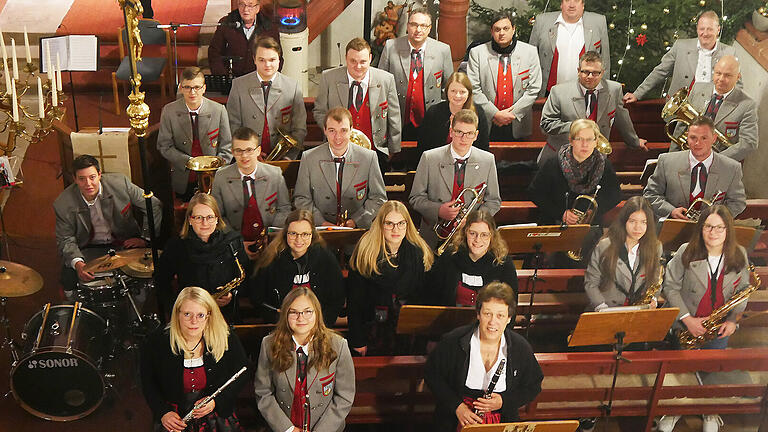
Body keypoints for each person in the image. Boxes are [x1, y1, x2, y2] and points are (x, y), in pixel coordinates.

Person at [657, 205, 751, 432]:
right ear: (701, 228)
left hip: (718, 326)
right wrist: (687, 319)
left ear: (728, 230)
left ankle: (710, 410)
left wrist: (732, 320)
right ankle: (674, 410)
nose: (713, 232)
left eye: (720, 227)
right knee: (683, 371)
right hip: (686, 324)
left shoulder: (739, 254)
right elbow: (670, 286)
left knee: (711, 369)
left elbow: (744, 290)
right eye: (708, 226)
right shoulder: (685, 251)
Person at [424, 282, 543, 430]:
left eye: (500, 315)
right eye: (488, 314)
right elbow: (432, 375)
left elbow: (533, 386)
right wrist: (457, 406)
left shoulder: (520, 347)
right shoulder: (453, 341)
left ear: (508, 318)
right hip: (456, 419)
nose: (493, 322)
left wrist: (504, 402)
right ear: (478, 314)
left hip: (502, 420)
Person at [140, 287, 248, 432]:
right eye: (187, 314)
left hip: (215, 415)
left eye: (200, 315)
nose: (193, 321)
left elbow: (244, 373)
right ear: (177, 314)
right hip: (174, 419)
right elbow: (147, 381)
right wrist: (163, 412)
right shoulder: (157, 341)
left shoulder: (226, 337)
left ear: (209, 315)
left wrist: (216, 402)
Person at [54, 154, 162, 292]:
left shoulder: (120, 184)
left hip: (124, 243)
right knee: (67, 278)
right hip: (87, 248)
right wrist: (78, 263)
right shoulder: (62, 203)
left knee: (144, 276)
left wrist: (145, 238)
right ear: (74, 179)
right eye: (81, 179)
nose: (88, 184)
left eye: (92, 177)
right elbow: (65, 239)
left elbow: (154, 205)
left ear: (99, 175)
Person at [254, 288, 355, 432]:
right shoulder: (269, 345)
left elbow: (344, 397)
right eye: (294, 312)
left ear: (317, 313)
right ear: (285, 315)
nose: (301, 318)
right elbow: (263, 393)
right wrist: (288, 429)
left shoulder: (338, 345)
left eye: (308, 311)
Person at [347, 201, 434, 356]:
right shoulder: (365, 252)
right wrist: (357, 340)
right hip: (372, 329)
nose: (396, 229)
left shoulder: (418, 252)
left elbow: (423, 299)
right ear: (380, 225)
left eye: (401, 223)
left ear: (407, 225)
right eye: (389, 224)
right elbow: (355, 303)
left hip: (407, 330)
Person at [410, 109, 501, 248]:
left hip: (470, 238)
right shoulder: (430, 158)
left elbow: (493, 201)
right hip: (434, 235)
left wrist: (473, 220)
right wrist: (438, 210)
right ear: (451, 131)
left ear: (476, 135)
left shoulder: (487, 160)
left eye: (469, 133)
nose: (464, 138)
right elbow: (415, 198)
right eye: (459, 132)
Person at [154, 194, 250, 323]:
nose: (205, 223)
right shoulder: (176, 247)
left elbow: (246, 278)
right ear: (190, 219)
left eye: (210, 217)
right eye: (199, 218)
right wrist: (179, 310)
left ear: (217, 219)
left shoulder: (232, 242)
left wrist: (232, 295)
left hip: (226, 316)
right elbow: (161, 283)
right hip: (191, 319)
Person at [540, 51, 647, 163]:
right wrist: (576, 127)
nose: (590, 77)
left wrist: (634, 142)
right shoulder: (558, 91)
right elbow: (545, 125)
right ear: (578, 71)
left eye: (595, 73)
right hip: (560, 158)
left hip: (596, 160)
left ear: (602, 73)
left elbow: (622, 120)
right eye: (585, 72)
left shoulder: (614, 89)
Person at [313, 37, 401, 170]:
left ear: (370, 58)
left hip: (376, 152)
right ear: (345, 58)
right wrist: (333, 132)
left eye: (363, 61)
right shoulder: (329, 77)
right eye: (353, 61)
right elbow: (319, 112)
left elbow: (394, 116)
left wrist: (392, 150)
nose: (358, 66)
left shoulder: (386, 79)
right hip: (337, 150)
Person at [294, 107, 387, 229]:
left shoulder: (369, 158)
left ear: (351, 130)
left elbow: (378, 198)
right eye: (332, 130)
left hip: (357, 231)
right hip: (319, 231)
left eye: (343, 130)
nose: (338, 137)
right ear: (325, 130)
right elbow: (301, 199)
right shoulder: (309, 158)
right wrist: (320, 223)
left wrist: (356, 221)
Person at [251, 209, 345, 326]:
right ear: (286, 233)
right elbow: (257, 298)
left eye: (305, 234)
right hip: (281, 326)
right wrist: (276, 319)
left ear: (312, 234)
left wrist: (321, 325)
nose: (299, 240)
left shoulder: (325, 258)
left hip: (320, 326)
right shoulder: (271, 259)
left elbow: (337, 298)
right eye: (293, 233)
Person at [643, 116, 746, 221]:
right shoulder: (666, 161)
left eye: (704, 138)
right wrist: (670, 211)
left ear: (714, 138)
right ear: (687, 137)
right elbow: (651, 194)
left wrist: (716, 218)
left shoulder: (732, 168)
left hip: (712, 231)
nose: (698, 143)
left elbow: (738, 202)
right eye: (693, 137)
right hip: (672, 228)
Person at [211, 127, 291, 260]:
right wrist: (237, 243)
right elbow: (218, 216)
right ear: (232, 152)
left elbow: (284, 209)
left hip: (270, 245)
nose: (244, 156)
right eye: (239, 151)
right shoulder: (221, 176)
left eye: (249, 150)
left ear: (258, 150)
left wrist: (271, 237)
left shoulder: (275, 174)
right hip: (234, 245)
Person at [624, 10, 735, 103]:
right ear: (697, 29)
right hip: (680, 109)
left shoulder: (729, 52)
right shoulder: (681, 46)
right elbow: (660, 71)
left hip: (712, 111)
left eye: (710, 29)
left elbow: (736, 85)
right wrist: (637, 94)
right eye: (702, 29)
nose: (705, 33)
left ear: (718, 29)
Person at [377, 7, 454, 141]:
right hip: (398, 119)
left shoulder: (442, 50)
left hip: (430, 120)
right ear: (407, 26)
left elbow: (448, 87)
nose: (418, 30)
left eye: (423, 26)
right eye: (414, 25)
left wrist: (441, 113)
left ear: (429, 28)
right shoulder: (391, 46)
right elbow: (381, 84)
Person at [157, 67, 232, 200]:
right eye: (187, 87)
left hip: (213, 177)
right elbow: (164, 146)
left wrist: (216, 170)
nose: (192, 92)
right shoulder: (169, 111)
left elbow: (227, 146)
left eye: (197, 87)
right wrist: (189, 162)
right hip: (184, 176)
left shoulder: (219, 110)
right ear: (180, 88)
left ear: (204, 88)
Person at [528, 119, 621, 226]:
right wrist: (560, 214)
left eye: (590, 139)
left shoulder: (604, 165)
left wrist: (593, 212)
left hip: (588, 226)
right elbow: (535, 192)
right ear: (571, 141)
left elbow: (615, 195)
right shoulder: (553, 163)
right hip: (554, 223)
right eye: (579, 139)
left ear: (596, 142)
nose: (585, 144)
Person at [227, 36, 307, 160]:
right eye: (262, 60)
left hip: (283, 158)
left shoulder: (293, 87)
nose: (267, 65)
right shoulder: (239, 86)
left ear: (279, 60)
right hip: (247, 158)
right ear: (254, 59)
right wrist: (249, 153)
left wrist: (287, 157)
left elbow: (299, 128)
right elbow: (233, 126)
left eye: (272, 59)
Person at [468, 11, 542, 141]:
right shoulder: (477, 53)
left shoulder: (529, 52)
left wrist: (512, 114)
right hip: (487, 119)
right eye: (497, 29)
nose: (501, 33)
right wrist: (495, 114)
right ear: (492, 31)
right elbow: (473, 88)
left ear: (513, 29)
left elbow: (534, 88)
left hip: (518, 120)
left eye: (506, 28)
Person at [670, 55, 758, 162]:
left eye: (727, 75)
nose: (721, 79)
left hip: (718, 164)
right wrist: (672, 157)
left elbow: (749, 142)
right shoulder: (697, 88)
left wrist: (714, 160)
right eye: (718, 73)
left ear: (737, 77)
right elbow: (681, 126)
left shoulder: (747, 104)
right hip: (686, 157)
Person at [584, 196, 663, 311]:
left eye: (643, 222)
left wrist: (653, 299)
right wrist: (602, 308)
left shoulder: (656, 247)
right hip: (605, 309)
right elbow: (591, 283)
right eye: (632, 221)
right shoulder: (605, 245)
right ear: (624, 221)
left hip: (639, 310)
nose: (638, 227)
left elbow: (656, 281)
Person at [427, 210, 518, 307]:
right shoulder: (450, 256)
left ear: (492, 236)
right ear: (465, 232)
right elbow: (433, 296)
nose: (477, 240)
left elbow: (511, 305)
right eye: (472, 233)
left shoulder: (503, 262)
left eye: (484, 235)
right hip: (450, 319)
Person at [529, 0, 610, 96]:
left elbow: (605, 61)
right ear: (561, 4)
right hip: (549, 93)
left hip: (586, 94)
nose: (572, 5)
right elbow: (530, 59)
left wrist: (603, 94)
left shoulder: (598, 22)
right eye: (567, 0)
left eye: (576, 1)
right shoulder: (542, 21)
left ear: (583, 4)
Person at [417, 72, 490, 156]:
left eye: (462, 92)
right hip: (437, 162)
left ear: (469, 93)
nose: (457, 95)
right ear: (446, 91)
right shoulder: (433, 112)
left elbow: (483, 149)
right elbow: (422, 147)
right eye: (453, 91)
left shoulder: (478, 113)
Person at [208, 0, 280, 77]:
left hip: (259, 78)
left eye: (250, 5)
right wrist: (223, 77)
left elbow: (278, 56)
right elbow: (214, 53)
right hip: (232, 78)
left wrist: (269, 78)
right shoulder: (227, 22)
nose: (245, 9)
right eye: (242, 4)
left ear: (257, 8)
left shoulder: (269, 26)